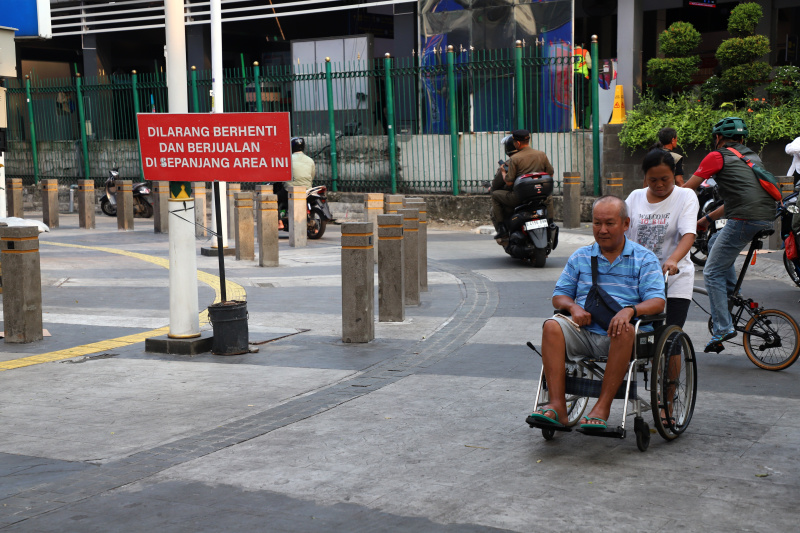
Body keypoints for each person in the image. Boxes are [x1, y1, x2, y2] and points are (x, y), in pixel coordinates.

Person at [529, 196, 665, 430]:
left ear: (625, 224)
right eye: (596, 223)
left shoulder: (644, 259)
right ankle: (557, 406)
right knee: (552, 325)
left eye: (610, 224)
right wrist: (573, 307)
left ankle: (602, 407)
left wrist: (630, 310)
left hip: (624, 337)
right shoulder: (581, 256)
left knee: (623, 328)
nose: (602, 230)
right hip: (584, 331)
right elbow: (559, 295)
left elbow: (657, 302)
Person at [683, 117, 776, 353]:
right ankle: (733, 295)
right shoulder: (751, 157)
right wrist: (706, 220)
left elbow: (686, 191)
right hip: (764, 216)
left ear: (718, 138)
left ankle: (723, 327)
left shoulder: (717, 156)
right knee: (715, 242)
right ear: (743, 139)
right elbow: (738, 201)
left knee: (712, 271)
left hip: (744, 219)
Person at [626, 149, 698, 327]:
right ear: (645, 177)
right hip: (638, 279)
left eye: (664, 179)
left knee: (671, 336)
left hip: (673, 278)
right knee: (640, 337)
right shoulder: (635, 197)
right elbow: (621, 230)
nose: (659, 184)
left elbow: (689, 234)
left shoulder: (685, 196)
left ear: (673, 173)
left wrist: (673, 259)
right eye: (653, 180)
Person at [490, 129, 555, 239]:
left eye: (515, 142)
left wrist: (502, 171)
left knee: (495, 195)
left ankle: (502, 228)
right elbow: (550, 174)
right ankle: (551, 222)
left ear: (518, 143)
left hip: (519, 198)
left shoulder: (514, 159)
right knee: (549, 197)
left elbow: (509, 182)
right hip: (540, 196)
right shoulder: (541, 155)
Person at [275, 137, 315, 227]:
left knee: (274, 199)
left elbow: (283, 175)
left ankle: (279, 222)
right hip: (307, 189)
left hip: (290, 189)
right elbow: (312, 176)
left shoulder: (288, 159)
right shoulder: (310, 160)